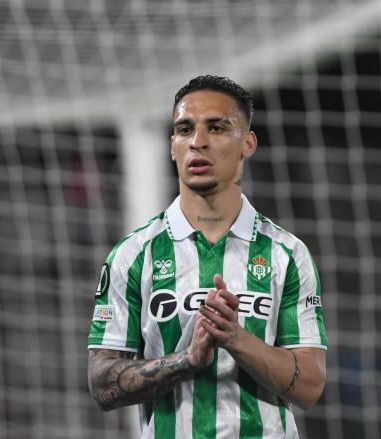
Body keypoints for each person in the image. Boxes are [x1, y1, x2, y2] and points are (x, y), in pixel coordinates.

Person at [87, 75, 327, 438]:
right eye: (185, 130)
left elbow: (310, 386)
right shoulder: (133, 255)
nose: (198, 142)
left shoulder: (286, 254)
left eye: (216, 128)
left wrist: (235, 338)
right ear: (172, 146)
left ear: (248, 143)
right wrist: (188, 360)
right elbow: (101, 382)